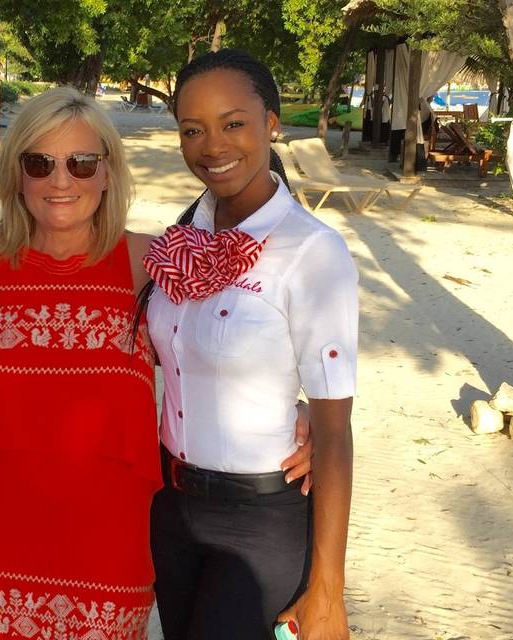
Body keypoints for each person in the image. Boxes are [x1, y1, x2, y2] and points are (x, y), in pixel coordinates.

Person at [0, 86, 159, 640]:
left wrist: (296, 413)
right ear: (16, 174)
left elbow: (222, 357)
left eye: (81, 163)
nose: (60, 181)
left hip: (107, 553)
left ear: (107, 173)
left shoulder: (147, 264)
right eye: (40, 163)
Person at [144, 49, 358, 640]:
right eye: (193, 130)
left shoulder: (312, 252)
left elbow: (335, 430)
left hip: (260, 519)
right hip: (173, 508)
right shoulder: (182, 242)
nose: (212, 146)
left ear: (271, 123)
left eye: (233, 123)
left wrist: (327, 592)